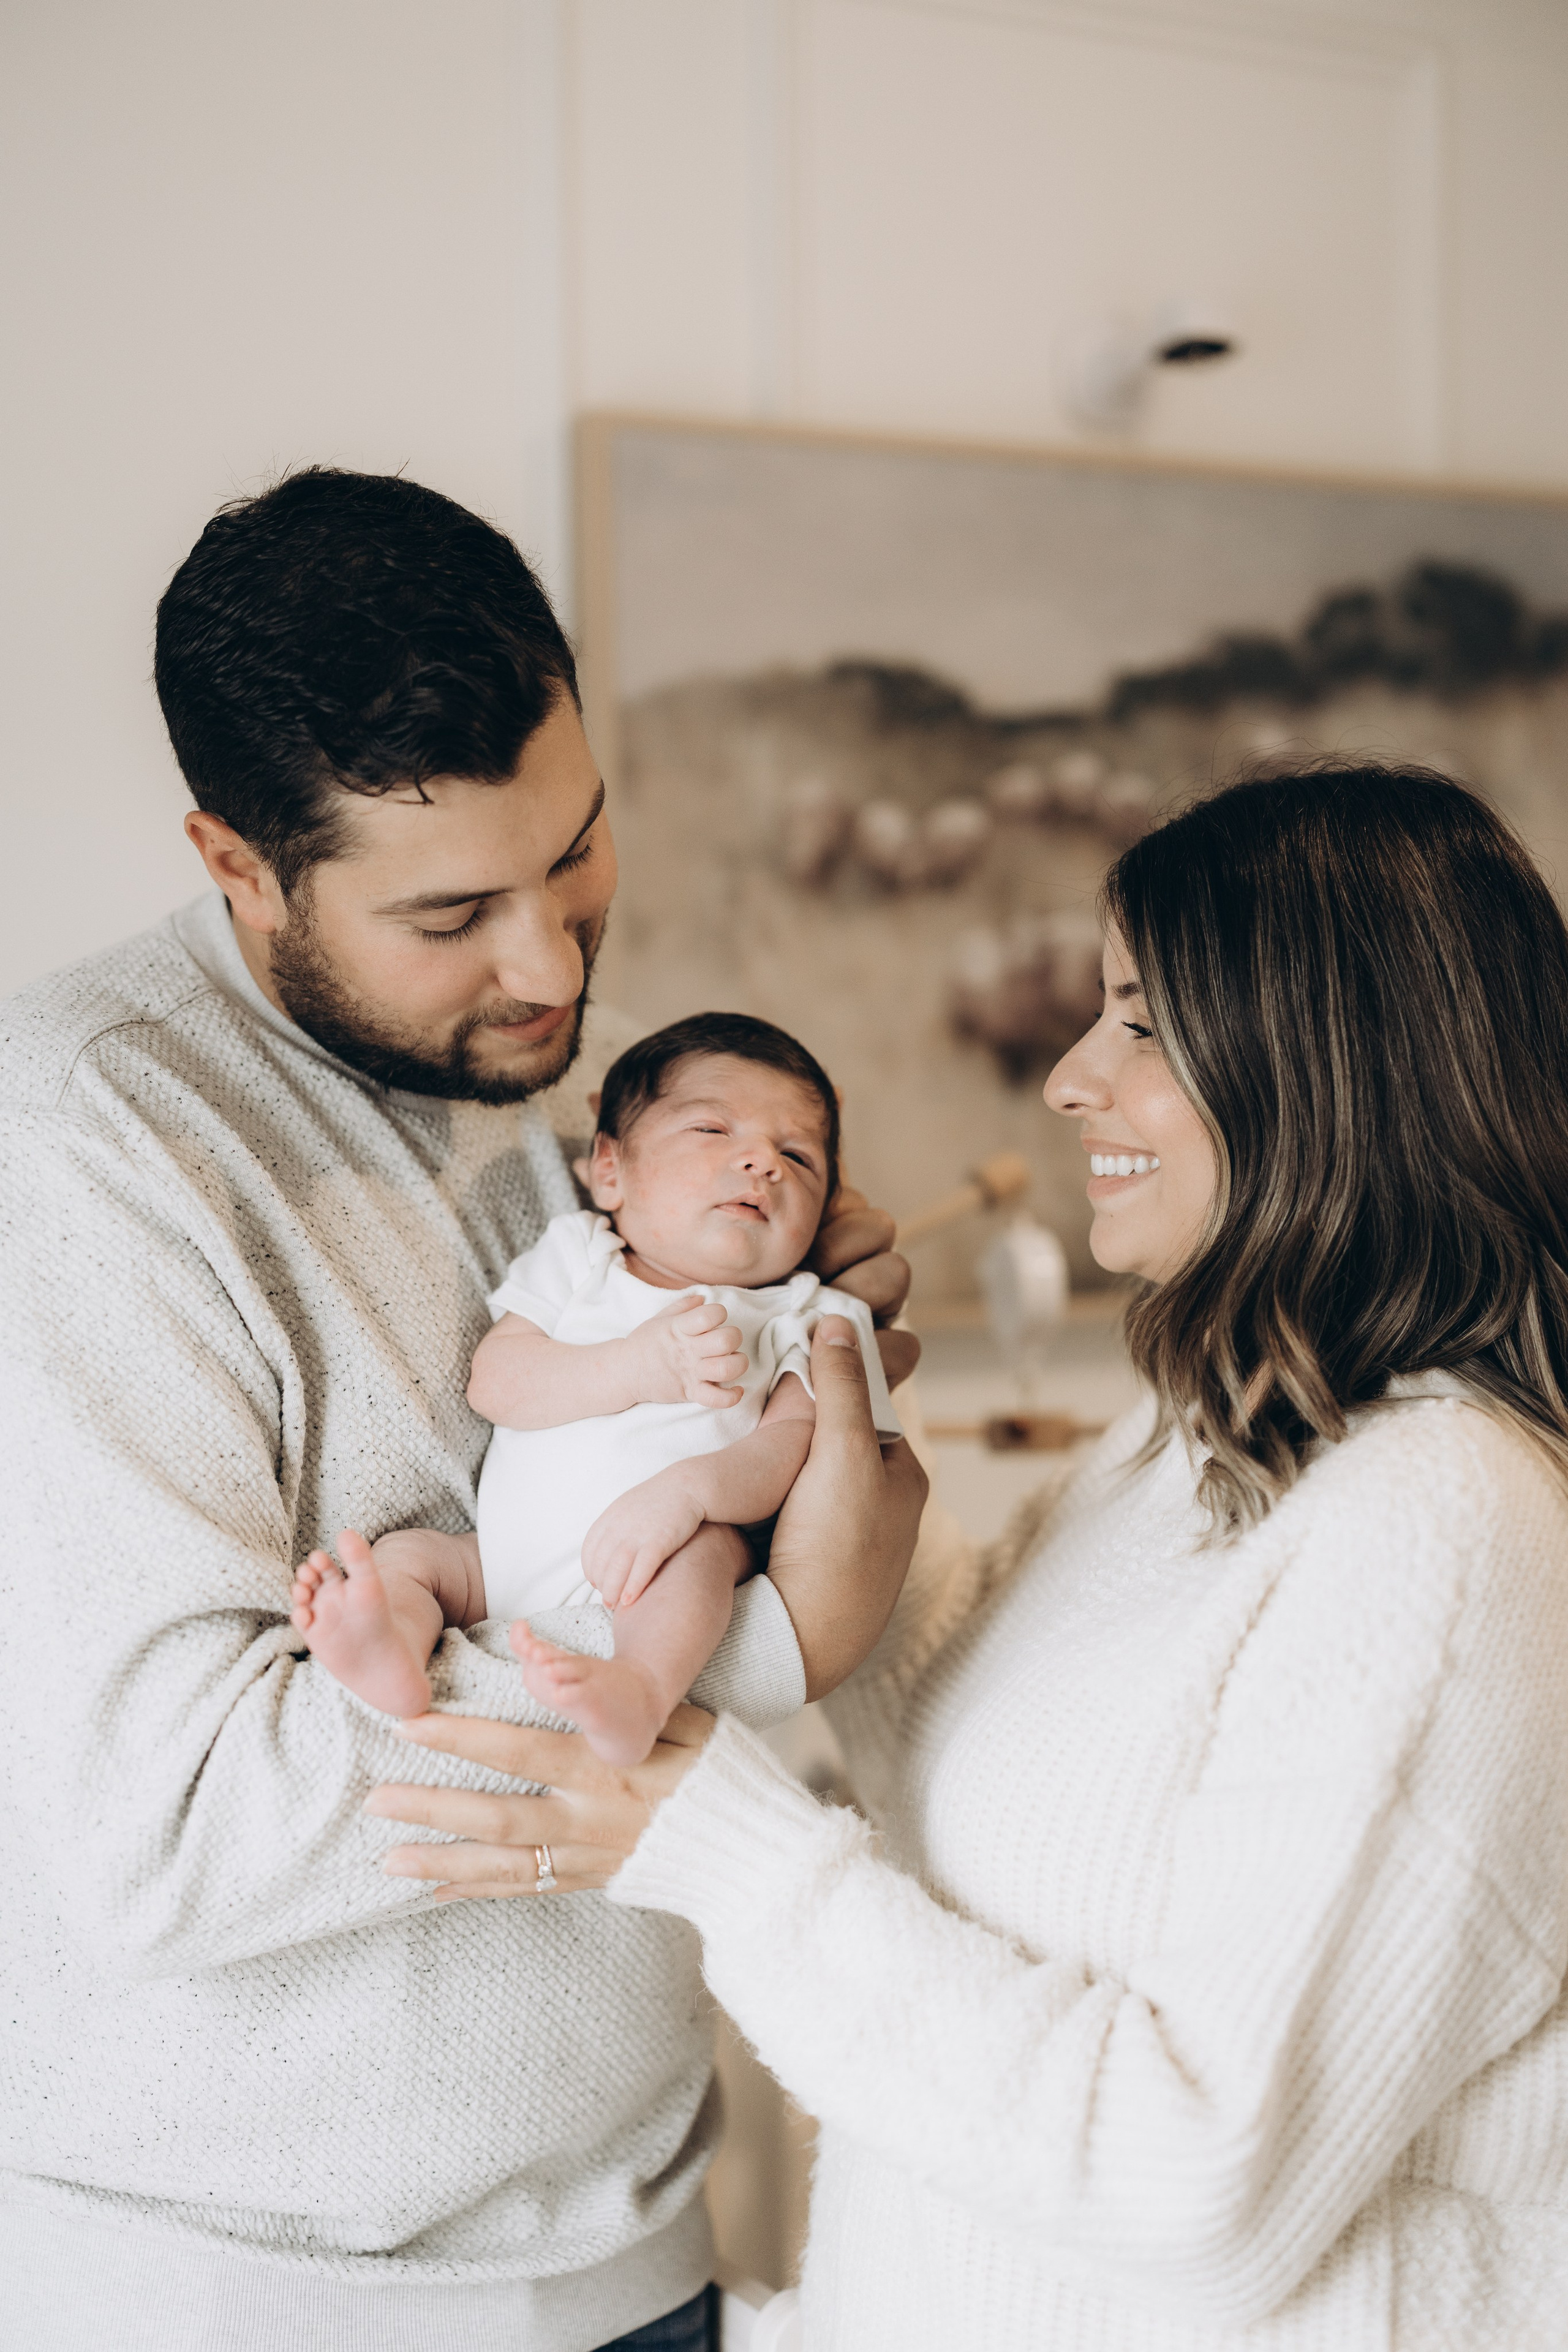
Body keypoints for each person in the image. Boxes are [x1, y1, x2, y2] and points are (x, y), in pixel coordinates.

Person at [377, 766, 1568, 2350]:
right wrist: (841, 1437)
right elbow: (976, 1735)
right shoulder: (1199, 1443)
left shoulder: (1446, 1534)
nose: (1071, 1078)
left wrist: (712, 1842)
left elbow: (1192, 2193)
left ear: (1327, 1063)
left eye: (1139, 1020)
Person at [0, 467, 922, 2352]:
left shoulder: (568, 1085)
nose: (555, 964)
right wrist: (748, 1647)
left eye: (577, 851)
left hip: (642, 2245)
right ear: (239, 862)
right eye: (452, 912)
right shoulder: (89, 1144)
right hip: (252, 2304)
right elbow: (175, 1820)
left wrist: (810, 1362)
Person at [292, 1011, 900, 1763]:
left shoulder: (809, 1311)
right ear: (610, 1170)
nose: (762, 1163)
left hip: (664, 1555)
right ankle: (390, 1650)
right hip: (499, 1560)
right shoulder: (579, 1256)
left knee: (707, 1558)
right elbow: (497, 1383)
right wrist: (635, 1367)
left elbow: (792, 1448)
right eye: (713, 1131)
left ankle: (640, 1686)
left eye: (799, 1157)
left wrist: (689, 1496)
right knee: (411, 1559)